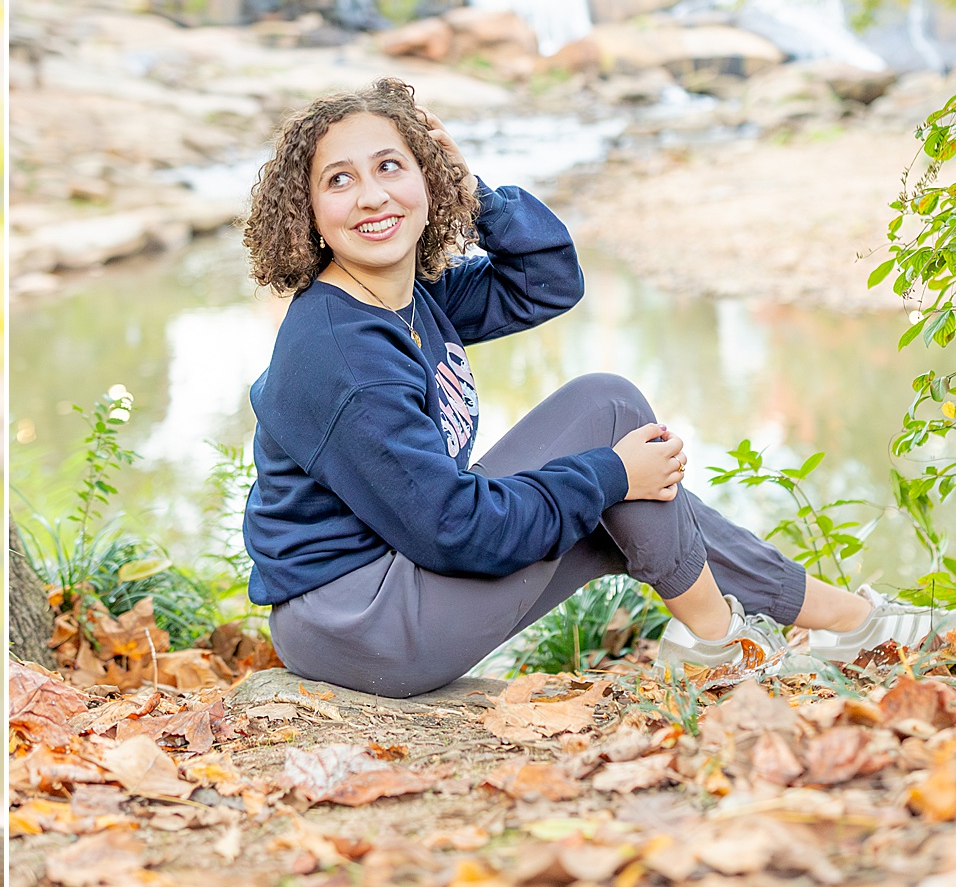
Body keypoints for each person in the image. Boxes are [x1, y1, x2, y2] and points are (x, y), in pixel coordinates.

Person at [239, 76, 943, 698]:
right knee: (607, 415)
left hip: (390, 597)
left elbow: (546, 279)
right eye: (339, 179)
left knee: (626, 500)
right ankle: (721, 642)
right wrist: (609, 471)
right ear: (308, 211)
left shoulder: (407, 297)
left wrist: (470, 191)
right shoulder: (343, 348)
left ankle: (843, 621)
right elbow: (453, 528)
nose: (371, 195)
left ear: (427, 178)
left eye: (392, 166)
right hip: (357, 623)